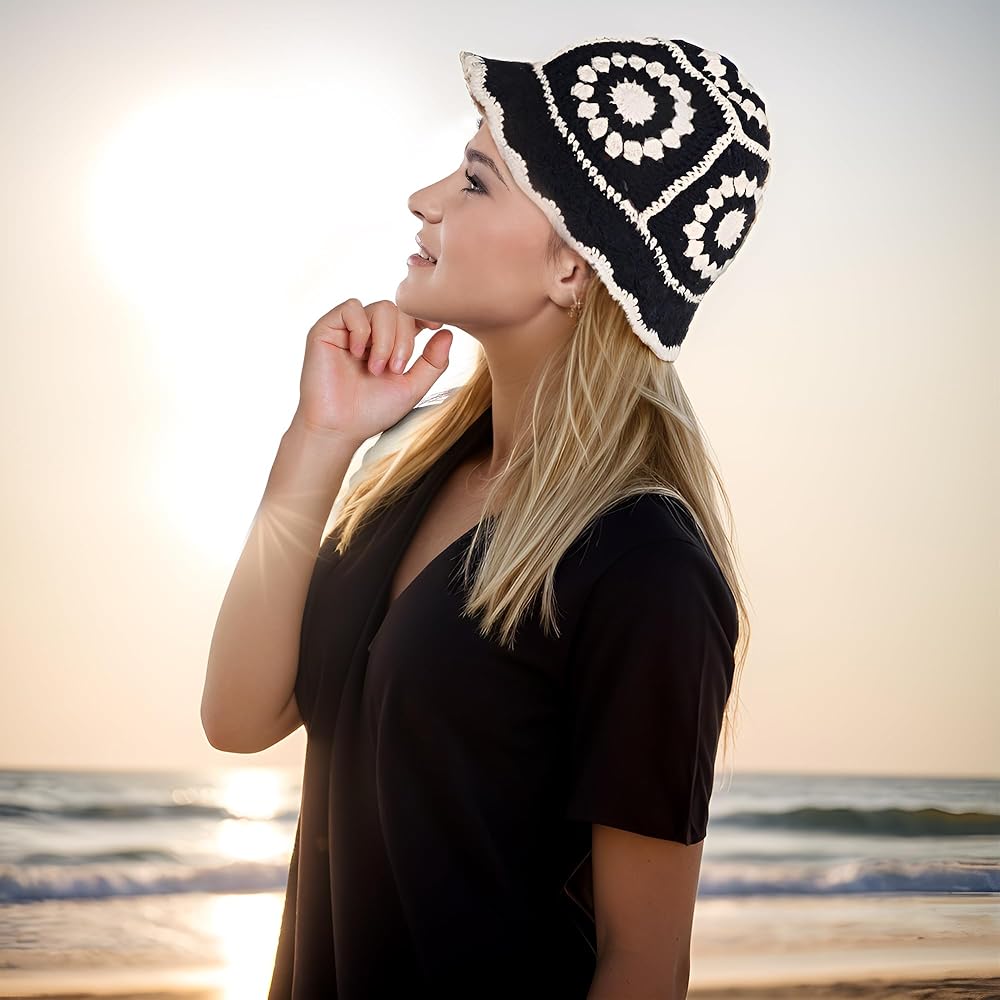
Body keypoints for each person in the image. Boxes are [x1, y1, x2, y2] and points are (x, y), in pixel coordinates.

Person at [202, 33, 772, 999]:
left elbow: (643, 962)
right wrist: (319, 438)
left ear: (573, 268)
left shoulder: (645, 567)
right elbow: (237, 717)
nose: (423, 199)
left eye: (475, 181)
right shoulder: (411, 477)